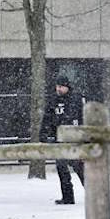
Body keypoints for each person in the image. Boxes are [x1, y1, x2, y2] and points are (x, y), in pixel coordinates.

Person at [39, 74, 85, 204]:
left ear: (66, 87)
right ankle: (68, 197)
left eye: (61, 87)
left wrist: (85, 140)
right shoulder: (53, 101)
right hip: (59, 141)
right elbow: (47, 119)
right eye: (57, 86)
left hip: (75, 141)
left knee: (80, 169)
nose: (58, 89)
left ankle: (94, 195)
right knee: (62, 168)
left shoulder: (77, 100)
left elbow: (83, 119)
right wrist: (43, 135)